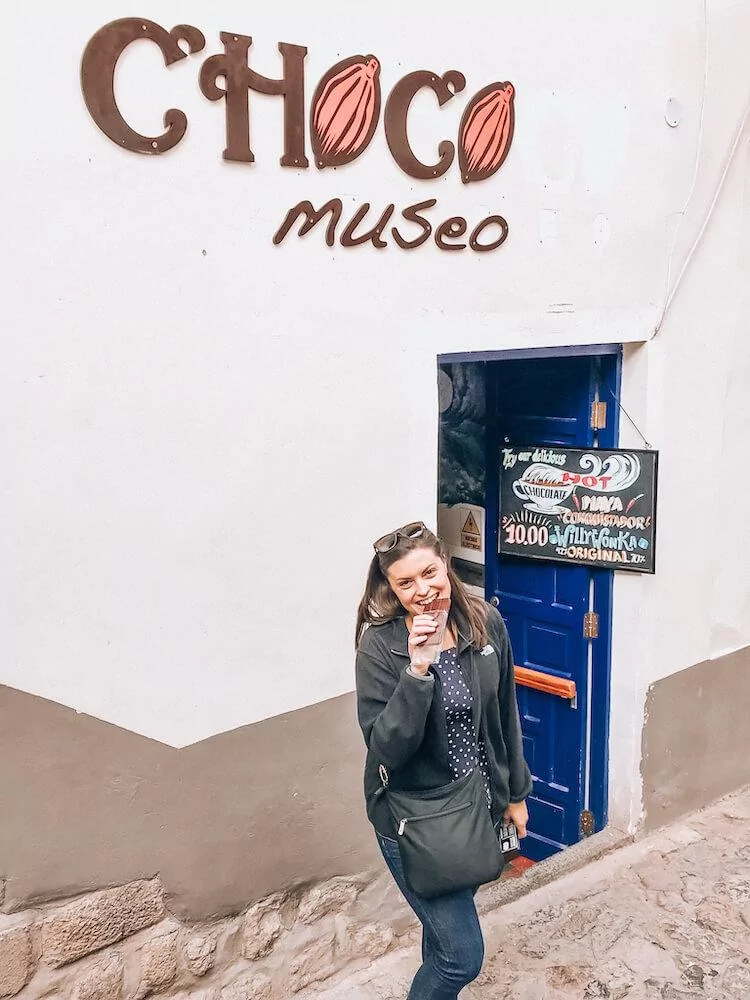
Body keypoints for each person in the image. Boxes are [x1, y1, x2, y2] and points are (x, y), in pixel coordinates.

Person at [355, 521, 532, 1000]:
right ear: (391, 589)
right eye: (405, 583)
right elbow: (386, 748)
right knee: (461, 957)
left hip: (478, 808)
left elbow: (504, 712)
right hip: (416, 819)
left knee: (441, 940)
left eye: (428, 573)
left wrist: (515, 792)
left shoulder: (483, 620)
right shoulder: (382, 646)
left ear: (445, 564)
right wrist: (416, 670)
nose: (422, 590)